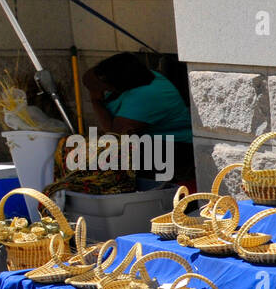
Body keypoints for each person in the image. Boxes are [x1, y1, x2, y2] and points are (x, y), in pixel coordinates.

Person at [81, 53, 195, 188]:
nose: (100, 82)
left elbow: (116, 137)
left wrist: (96, 100)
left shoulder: (145, 95)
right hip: (146, 141)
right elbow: (89, 77)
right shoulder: (139, 76)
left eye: (104, 82)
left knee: (108, 165)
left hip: (173, 148)